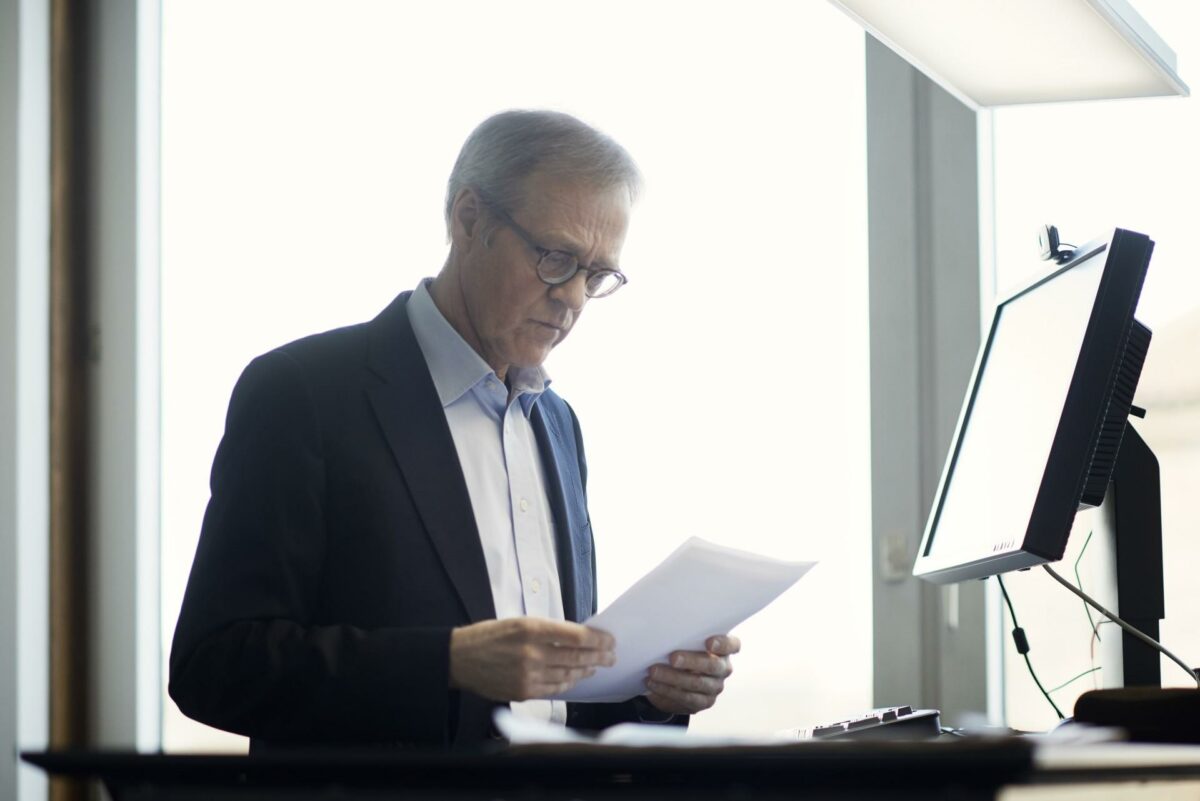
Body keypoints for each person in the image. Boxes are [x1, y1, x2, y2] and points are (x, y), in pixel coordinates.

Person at [169, 110, 741, 750]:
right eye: (556, 258)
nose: (574, 298)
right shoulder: (302, 392)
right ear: (469, 219)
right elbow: (214, 666)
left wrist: (654, 694)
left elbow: (555, 709)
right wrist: (448, 663)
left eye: (597, 275)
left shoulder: (558, 424)